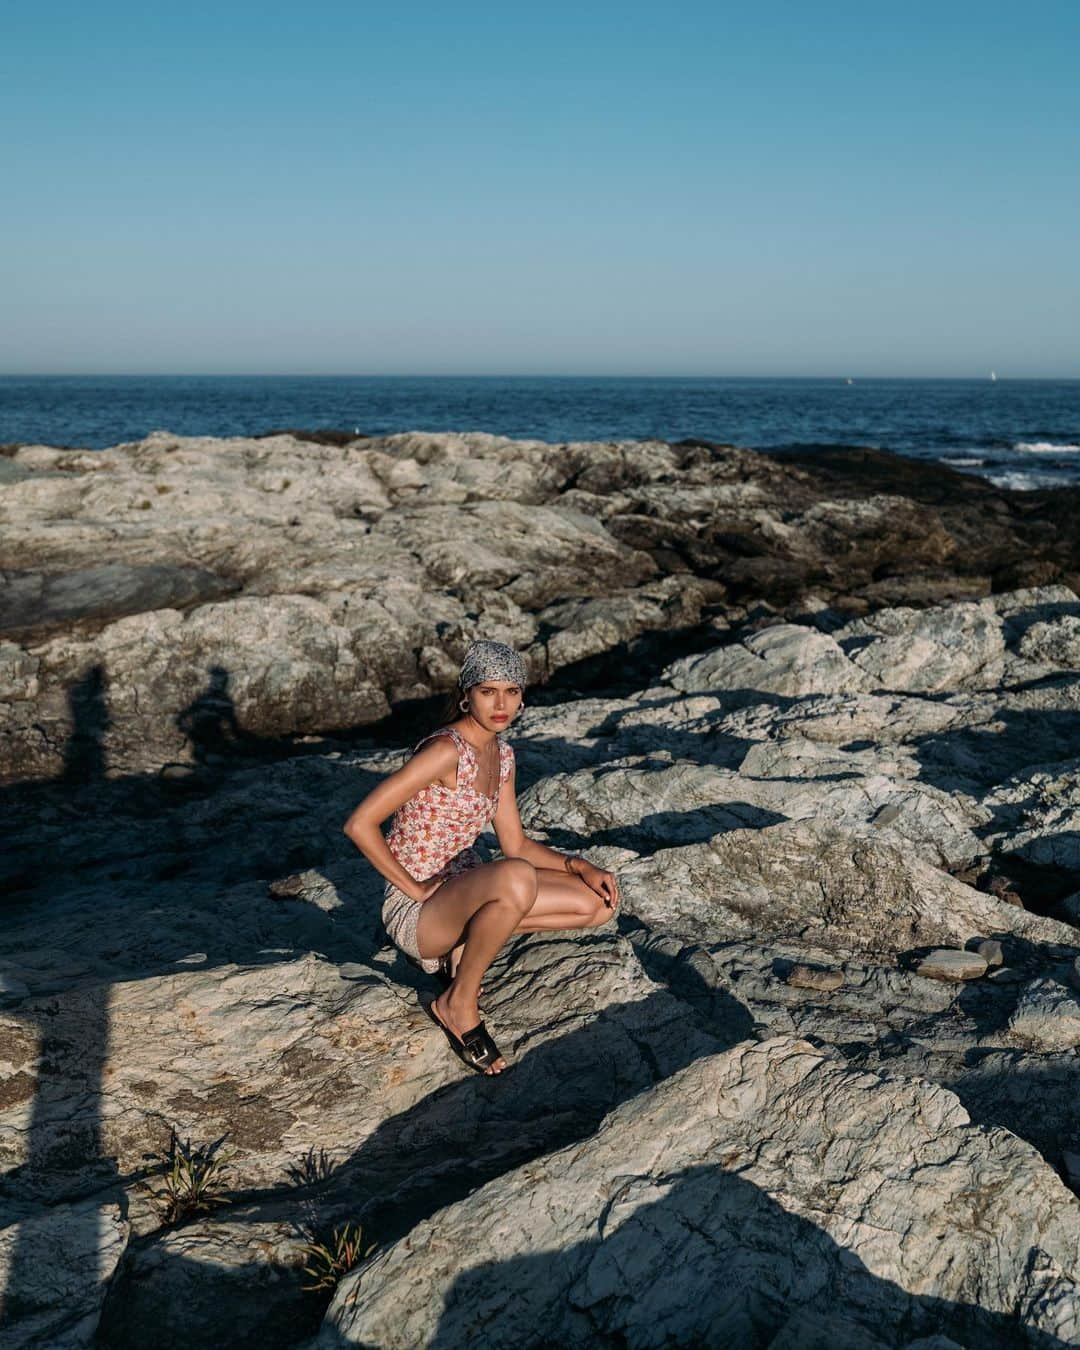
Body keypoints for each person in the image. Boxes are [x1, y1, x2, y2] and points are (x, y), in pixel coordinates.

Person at [343, 640, 620, 1076]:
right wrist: (413, 888)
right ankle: (458, 1002)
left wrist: (579, 866)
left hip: (466, 894)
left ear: (523, 698)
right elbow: (360, 823)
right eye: (488, 691)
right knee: (516, 879)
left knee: (596, 904)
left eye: (511, 691)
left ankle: (465, 947)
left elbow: (517, 844)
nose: (500, 703)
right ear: (465, 695)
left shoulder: (503, 755)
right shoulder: (445, 751)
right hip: (419, 912)